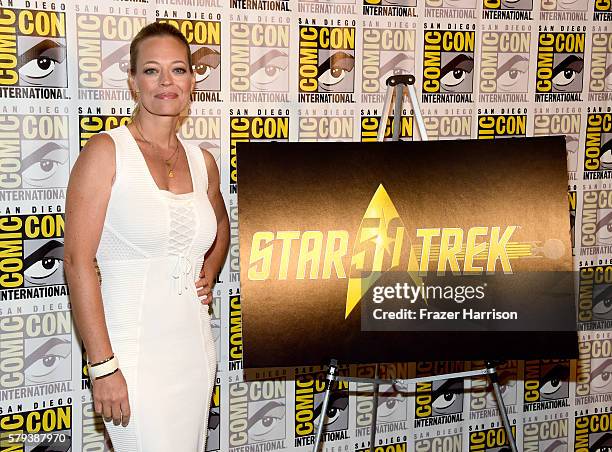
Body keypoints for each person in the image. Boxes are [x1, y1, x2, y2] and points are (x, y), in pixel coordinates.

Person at [64, 22, 229, 452]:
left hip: (193, 349)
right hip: (130, 352)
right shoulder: (105, 152)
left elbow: (221, 225)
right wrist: (102, 366)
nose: (166, 82)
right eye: (152, 71)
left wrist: (208, 272)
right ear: (133, 81)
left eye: (178, 70)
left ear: (193, 80)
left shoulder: (202, 161)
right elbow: (78, 263)